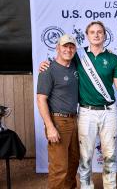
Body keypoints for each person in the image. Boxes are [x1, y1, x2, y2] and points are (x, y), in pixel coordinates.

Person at [40, 21, 117, 189]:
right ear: (87, 35)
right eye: (92, 32)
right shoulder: (78, 54)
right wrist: (46, 64)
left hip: (108, 111)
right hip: (86, 112)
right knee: (85, 157)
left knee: (109, 155)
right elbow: (62, 61)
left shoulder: (112, 58)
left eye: (99, 32)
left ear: (104, 35)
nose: (96, 35)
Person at [37, 34, 79, 189]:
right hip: (58, 121)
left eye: (71, 46)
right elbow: (41, 99)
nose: (68, 49)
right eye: (64, 46)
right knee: (59, 167)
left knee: (73, 163)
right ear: (57, 48)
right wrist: (50, 127)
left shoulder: (75, 65)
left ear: (75, 49)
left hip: (75, 120)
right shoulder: (48, 69)